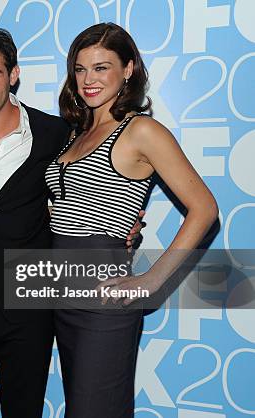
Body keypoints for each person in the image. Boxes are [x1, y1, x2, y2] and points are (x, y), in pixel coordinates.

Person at [46, 23, 218, 418]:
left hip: (103, 294)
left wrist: (150, 281)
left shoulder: (140, 130)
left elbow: (205, 208)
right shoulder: (77, 132)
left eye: (101, 67)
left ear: (128, 69)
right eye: (80, 68)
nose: (88, 80)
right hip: (59, 290)